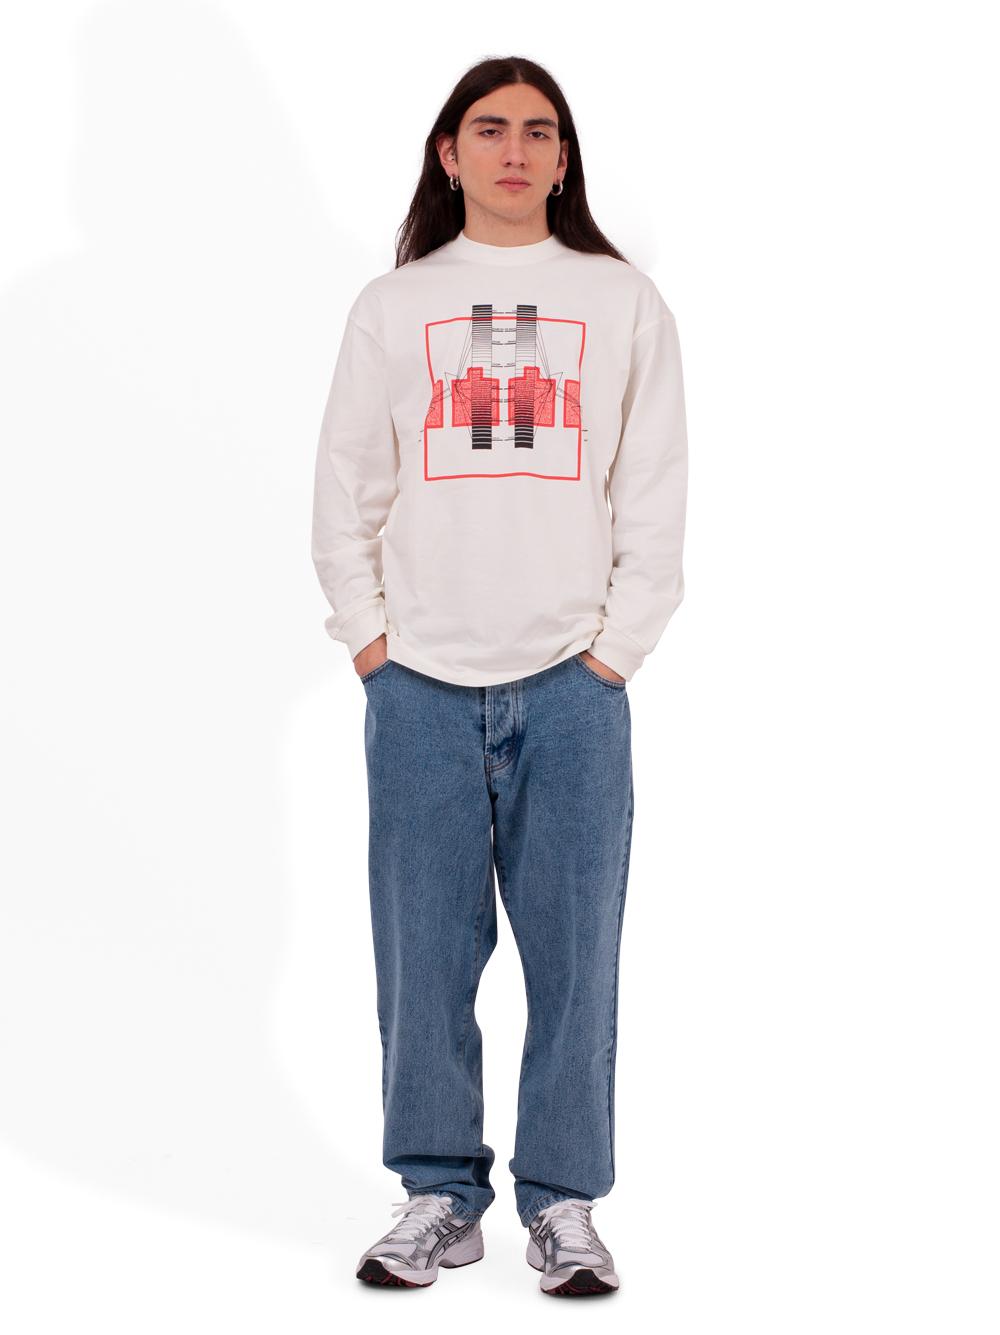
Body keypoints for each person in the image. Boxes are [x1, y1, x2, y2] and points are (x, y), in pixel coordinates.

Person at [311, 55, 688, 1298]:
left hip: (574, 683)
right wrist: (370, 641)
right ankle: (437, 1192)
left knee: (577, 958)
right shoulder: (395, 305)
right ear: (449, 153)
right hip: (419, 680)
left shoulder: (621, 301)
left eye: (538, 131)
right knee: (423, 952)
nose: (514, 150)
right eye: (489, 129)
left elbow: (652, 488)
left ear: (565, 159)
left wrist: (616, 651)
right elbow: (348, 483)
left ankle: (563, 1202)